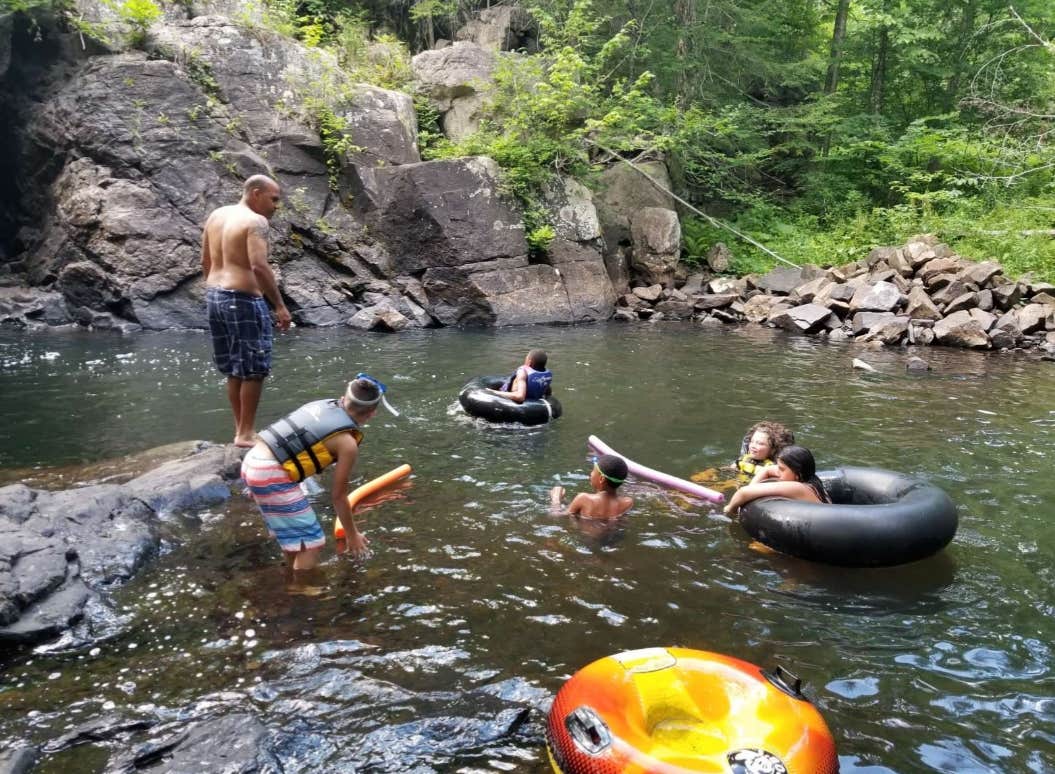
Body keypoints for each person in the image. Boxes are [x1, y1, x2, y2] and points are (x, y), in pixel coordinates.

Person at [240, 374, 399, 587]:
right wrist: (352, 535)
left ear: (343, 397)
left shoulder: (320, 405)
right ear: (371, 414)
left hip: (252, 461)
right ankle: (301, 594)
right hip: (270, 474)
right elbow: (339, 496)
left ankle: (288, 578)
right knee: (313, 543)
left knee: (296, 540)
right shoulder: (347, 443)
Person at [202, 174, 292, 448]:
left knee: (235, 368)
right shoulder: (256, 222)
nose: (276, 206)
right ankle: (246, 433)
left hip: (215, 295)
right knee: (254, 369)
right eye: (273, 199)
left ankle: (241, 429)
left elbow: (205, 261)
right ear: (256, 193)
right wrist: (279, 305)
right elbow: (259, 266)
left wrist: (217, 287)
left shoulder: (217, 215)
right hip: (242, 299)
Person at [723, 445, 829, 517]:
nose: (777, 472)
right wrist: (753, 485)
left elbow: (743, 492)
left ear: (798, 474)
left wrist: (730, 509)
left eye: (781, 469)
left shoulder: (798, 488)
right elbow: (768, 469)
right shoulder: (812, 480)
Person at [550, 454, 634, 519]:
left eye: (593, 471)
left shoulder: (584, 499)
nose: (590, 473)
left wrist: (556, 498)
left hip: (585, 540)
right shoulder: (627, 503)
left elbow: (556, 515)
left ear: (601, 479)